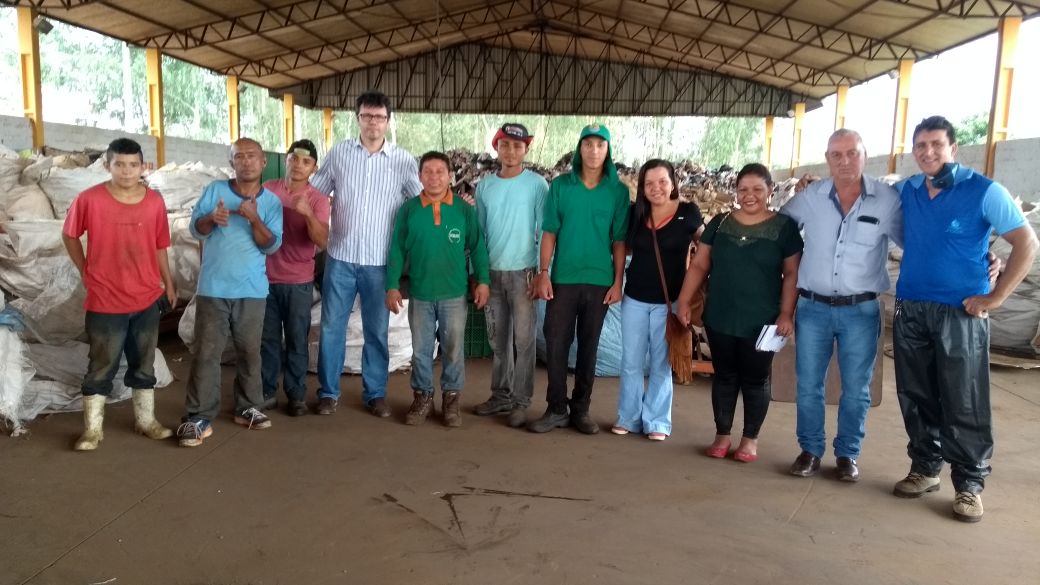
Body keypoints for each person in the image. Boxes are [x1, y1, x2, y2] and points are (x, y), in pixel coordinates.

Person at [891, 115, 1037, 522]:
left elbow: (1026, 242)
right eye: (921, 145)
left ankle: (969, 485)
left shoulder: (984, 191)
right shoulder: (907, 190)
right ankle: (925, 468)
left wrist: (996, 296)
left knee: (964, 398)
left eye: (936, 144)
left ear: (953, 148)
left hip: (961, 311)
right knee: (916, 393)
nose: (928, 152)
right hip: (911, 307)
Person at [781, 129, 902, 482]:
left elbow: (919, 242)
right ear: (827, 159)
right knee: (808, 384)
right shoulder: (810, 198)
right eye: (836, 154)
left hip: (861, 311)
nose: (845, 161)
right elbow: (777, 229)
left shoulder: (887, 200)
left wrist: (981, 258)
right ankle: (810, 450)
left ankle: (848, 454)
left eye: (852, 153)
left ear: (865, 155)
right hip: (813, 308)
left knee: (857, 389)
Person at [677, 163, 802, 462]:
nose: (749, 195)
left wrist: (786, 313)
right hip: (721, 315)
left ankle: (750, 439)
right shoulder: (720, 223)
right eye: (743, 189)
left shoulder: (784, 228)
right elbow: (699, 265)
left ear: (770, 190)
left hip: (763, 320)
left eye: (757, 189)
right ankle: (722, 435)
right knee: (725, 376)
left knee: (755, 379)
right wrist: (683, 300)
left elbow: (792, 274)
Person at [311, 91, 423, 418]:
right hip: (340, 258)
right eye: (367, 116)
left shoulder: (403, 161)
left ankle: (375, 393)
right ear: (357, 118)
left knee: (376, 330)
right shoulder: (339, 154)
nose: (373, 122)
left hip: (380, 263)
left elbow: (420, 202)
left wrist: (453, 205)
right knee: (332, 327)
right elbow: (316, 193)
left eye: (379, 117)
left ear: (388, 121)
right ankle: (328, 393)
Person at [62, 138, 177, 451]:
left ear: (142, 166)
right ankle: (92, 430)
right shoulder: (89, 199)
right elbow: (69, 235)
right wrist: (85, 270)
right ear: (107, 165)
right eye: (120, 164)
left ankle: (146, 421)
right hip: (105, 298)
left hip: (147, 297)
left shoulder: (154, 201)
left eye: (133, 165)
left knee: (144, 362)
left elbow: (160, 245)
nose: (127, 171)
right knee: (101, 363)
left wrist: (168, 282)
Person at [177, 137, 283, 448]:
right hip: (214, 288)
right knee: (206, 352)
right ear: (231, 162)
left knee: (250, 352)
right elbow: (196, 230)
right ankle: (199, 416)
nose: (246, 161)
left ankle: (248, 407)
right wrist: (212, 218)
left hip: (252, 290)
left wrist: (253, 218)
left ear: (263, 162)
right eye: (239, 156)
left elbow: (271, 245)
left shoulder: (272, 202)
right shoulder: (215, 191)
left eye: (252, 156)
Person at [529, 123, 629, 435]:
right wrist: (543, 273)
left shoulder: (618, 191)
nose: (594, 151)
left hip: (600, 282)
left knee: (589, 346)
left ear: (608, 150)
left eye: (600, 145)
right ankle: (556, 408)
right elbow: (549, 232)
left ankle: (581, 408)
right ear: (579, 149)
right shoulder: (561, 186)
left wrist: (617, 281)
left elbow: (619, 241)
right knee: (557, 342)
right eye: (588, 144)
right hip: (563, 279)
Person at [385, 151, 490, 427]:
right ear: (420, 176)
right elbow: (396, 249)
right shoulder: (408, 210)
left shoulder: (463, 210)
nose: (434, 177)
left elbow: (478, 247)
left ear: (450, 176)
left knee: (453, 349)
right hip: (420, 293)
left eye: (440, 172)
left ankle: (451, 399)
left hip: (454, 293)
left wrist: (483, 281)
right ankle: (422, 397)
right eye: (428, 172)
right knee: (420, 350)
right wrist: (392, 286)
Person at [612, 159, 703, 441]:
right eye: (649, 183)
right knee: (631, 361)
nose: (656, 188)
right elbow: (621, 247)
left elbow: (705, 248)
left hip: (670, 302)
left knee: (661, 363)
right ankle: (628, 417)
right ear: (642, 188)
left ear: (673, 183)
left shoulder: (688, 213)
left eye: (662, 181)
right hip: (635, 299)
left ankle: (657, 421)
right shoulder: (635, 214)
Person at [472, 123, 549, 428]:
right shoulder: (485, 187)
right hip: (492, 273)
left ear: (526, 150)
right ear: (496, 148)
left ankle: (521, 401)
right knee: (498, 340)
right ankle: (500, 395)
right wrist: (477, 274)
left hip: (524, 274)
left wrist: (542, 272)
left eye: (517, 146)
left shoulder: (537, 185)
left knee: (524, 342)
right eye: (505, 145)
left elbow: (545, 231)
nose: (511, 151)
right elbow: (478, 235)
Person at [259, 139, 330, 417]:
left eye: (306, 161)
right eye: (294, 159)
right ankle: (267, 392)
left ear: (314, 168)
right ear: (286, 160)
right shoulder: (268, 189)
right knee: (267, 340)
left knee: (297, 340)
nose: (299, 165)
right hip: (264, 279)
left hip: (298, 281)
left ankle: (296, 394)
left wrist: (308, 214)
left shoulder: (318, 199)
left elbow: (322, 240)